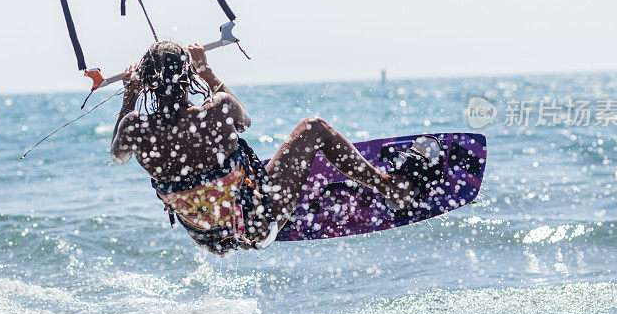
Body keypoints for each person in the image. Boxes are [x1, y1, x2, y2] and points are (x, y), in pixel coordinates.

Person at [111, 41, 411, 255]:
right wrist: (208, 72)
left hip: (209, 240)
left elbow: (118, 155)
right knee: (314, 127)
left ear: (146, 84)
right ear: (188, 77)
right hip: (259, 225)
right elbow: (244, 122)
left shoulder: (134, 129)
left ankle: (254, 200)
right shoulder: (217, 109)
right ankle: (388, 187)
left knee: (226, 181)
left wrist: (128, 98)